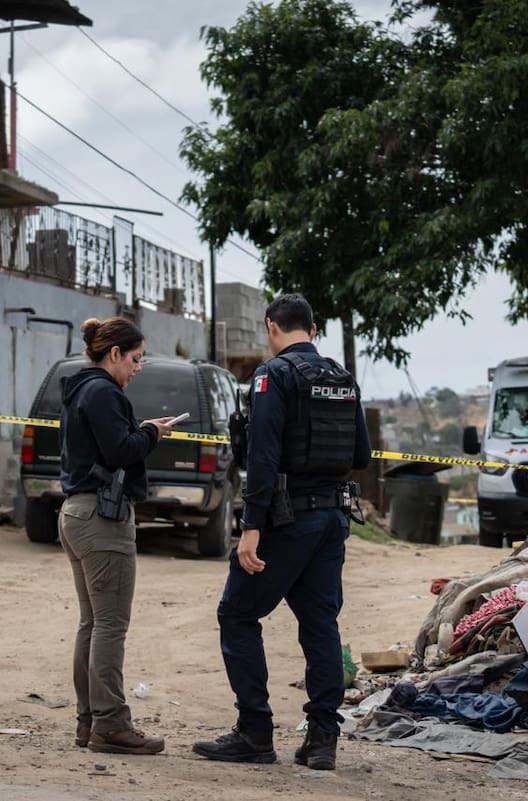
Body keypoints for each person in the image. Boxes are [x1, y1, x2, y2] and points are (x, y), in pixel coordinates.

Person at [192, 294, 371, 770]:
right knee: (320, 625)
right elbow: (362, 456)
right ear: (313, 329)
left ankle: (254, 732)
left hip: (288, 519)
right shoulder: (342, 378)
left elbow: (263, 457)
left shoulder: (274, 376)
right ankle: (322, 740)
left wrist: (251, 528)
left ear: (272, 327)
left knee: (236, 613)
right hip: (332, 518)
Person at [58, 316, 176, 755]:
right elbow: (120, 450)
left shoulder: (80, 388)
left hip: (76, 513)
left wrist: (140, 429)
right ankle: (110, 724)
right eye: (136, 358)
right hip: (101, 518)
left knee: (92, 624)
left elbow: (104, 443)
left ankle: (90, 722)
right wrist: (150, 433)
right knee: (109, 625)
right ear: (113, 354)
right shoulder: (104, 391)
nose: (138, 367)